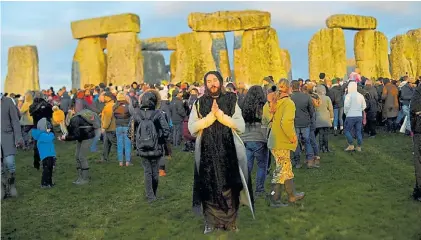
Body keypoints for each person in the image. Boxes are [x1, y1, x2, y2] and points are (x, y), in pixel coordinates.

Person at [189, 71, 254, 234]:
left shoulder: (232, 100)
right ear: (205, 84)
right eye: (209, 81)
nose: (212, 84)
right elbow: (192, 128)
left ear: (221, 82)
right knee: (209, 186)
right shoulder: (199, 103)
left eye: (215, 80)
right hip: (207, 151)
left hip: (227, 150)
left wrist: (221, 116)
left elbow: (241, 126)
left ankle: (230, 222)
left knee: (229, 186)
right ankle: (211, 222)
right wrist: (211, 117)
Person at [266, 79, 305, 207]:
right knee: (280, 171)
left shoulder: (275, 102)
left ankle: (292, 195)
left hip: (274, 140)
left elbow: (266, 118)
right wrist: (292, 136)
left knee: (285, 168)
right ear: (289, 88)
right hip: (281, 141)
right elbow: (286, 122)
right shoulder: (288, 103)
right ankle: (274, 198)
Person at [129, 89, 170, 203]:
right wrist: (160, 140)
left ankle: (150, 196)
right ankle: (153, 194)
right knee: (155, 171)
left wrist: (136, 143)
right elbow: (166, 130)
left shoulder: (136, 114)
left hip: (142, 147)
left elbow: (130, 132)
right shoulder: (158, 114)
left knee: (147, 171)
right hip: (156, 147)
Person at [240, 86, 268, 198]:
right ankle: (259, 190)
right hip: (259, 138)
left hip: (245, 138)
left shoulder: (243, 106)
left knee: (247, 167)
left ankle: (244, 191)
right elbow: (265, 123)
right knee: (262, 166)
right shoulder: (262, 107)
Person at [59, 105, 99, 185]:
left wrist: (65, 138)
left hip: (87, 137)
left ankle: (85, 178)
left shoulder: (74, 119)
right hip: (84, 136)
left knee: (81, 157)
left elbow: (76, 135)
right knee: (77, 156)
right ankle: (80, 177)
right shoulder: (77, 117)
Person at [1, 95, 24, 199]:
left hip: (7, 137)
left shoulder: (8, 101)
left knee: (10, 163)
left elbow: (15, 120)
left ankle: (12, 185)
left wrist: (18, 137)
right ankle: (2, 187)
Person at [290, 80, 315, 168]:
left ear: (291, 87)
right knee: (307, 141)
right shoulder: (306, 96)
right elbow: (311, 111)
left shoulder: (290, 98)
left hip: (294, 122)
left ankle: (297, 162)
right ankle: (310, 160)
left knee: (295, 143)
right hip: (305, 122)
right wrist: (309, 118)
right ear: (299, 86)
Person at [29, 92, 53, 170]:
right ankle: (47, 162)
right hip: (46, 127)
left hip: (37, 127)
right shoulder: (47, 105)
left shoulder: (33, 106)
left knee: (37, 146)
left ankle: (37, 163)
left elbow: (32, 113)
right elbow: (51, 114)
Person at [31, 118, 56, 188]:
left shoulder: (44, 134)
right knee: (46, 169)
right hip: (46, 155)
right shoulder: (42, 135)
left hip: (50, 154)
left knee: (50, 169)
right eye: (48, 127)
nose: (49, 128)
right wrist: (51, 133)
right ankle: (44, 183)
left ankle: (49, 183)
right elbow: (50, 138)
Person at [344, 81, 367, 152]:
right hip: (359, 116)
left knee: (347, 130)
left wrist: (346, 113)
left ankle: (351, 144)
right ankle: (359, 147)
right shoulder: (360, 96)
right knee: (358, 131)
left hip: (350, 115)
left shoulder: (348, 96)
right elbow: (364, 106)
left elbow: (346, 106)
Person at [114, 92, 132, 166]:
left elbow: (114, 116)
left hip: (118, 126)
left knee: (119, 144)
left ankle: (120, 162)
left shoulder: (114, 106)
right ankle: (127, 161)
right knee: (127, 144)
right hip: (126, 126)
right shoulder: (128, 106)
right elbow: (132, 114)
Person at [410, 82, 421, 202]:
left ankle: (419, 191)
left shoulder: (418, 92)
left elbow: (414, 110)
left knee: (419, 162)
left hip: (419, 131)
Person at [315, 85, 334, 153]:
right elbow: (331, 109)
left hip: (319, 118)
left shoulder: (316, 98)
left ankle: (320, 148)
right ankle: (326, 148)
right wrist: (332, 117)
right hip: (326, 118)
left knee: (320, 134)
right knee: (326, 134)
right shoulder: (327, 98)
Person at [99, 92, 116, 163]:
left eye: (104, 96)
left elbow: (107, 118)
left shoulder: (109, 106)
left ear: (109, 98)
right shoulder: (111, 105)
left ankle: (127, 158)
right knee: (106, 144)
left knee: (117, 144)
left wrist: (104, 127)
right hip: (110, 128)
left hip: (110, 128)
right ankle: (104, 159)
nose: (103, 98)